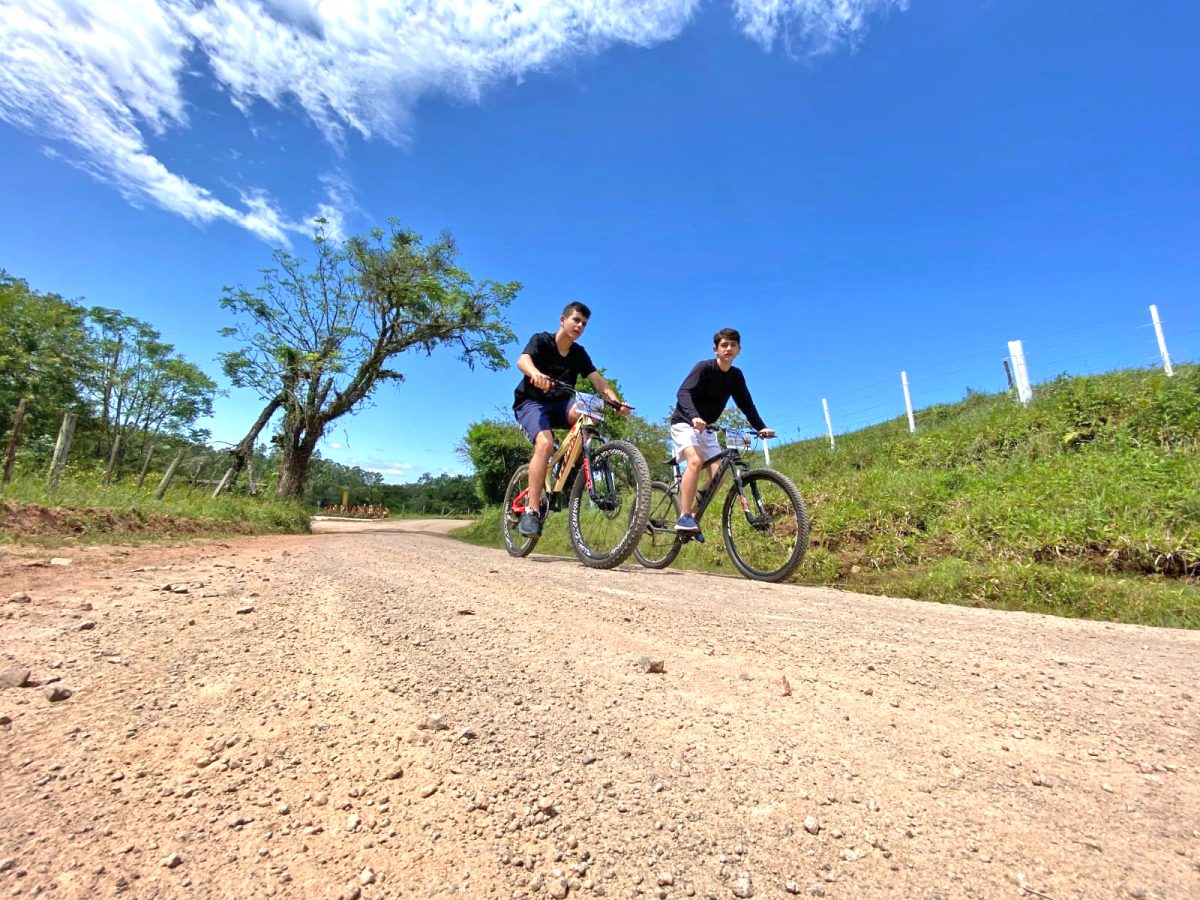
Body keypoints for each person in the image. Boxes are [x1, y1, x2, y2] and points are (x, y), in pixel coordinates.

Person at [512, 301, 630, 536]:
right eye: (576, 320)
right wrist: (535, 373)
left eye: (584, 324)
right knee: (544, 444)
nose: (579, 326)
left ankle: (573, 461)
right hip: (531, 403)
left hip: (560, 406)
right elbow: (522, 360)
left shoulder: (579, 353)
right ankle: (532, 511)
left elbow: (597, 380)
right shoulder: (542, 340)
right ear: (562, 320)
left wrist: (616, 401)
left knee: (591, 412)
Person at [669, 328, 775, 533]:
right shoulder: (704, 368)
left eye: (733, 345)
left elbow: (746, 404)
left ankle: (694, 512)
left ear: (739, 350)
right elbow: (682, 392)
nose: (729, 348)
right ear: (715, 349)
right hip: (684, 422)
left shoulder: (736, 376)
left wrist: (761, 427)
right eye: (724, 345)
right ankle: (683, 516)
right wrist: (694, 416)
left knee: (720, 475)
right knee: (695, 460)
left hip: (707, 428)